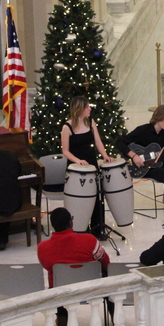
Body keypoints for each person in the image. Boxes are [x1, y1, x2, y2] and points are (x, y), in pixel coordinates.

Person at [38, 207, 111, 326]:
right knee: (106, 273)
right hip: (91, 288)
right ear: (70, 222)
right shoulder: (89, 240)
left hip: (61, 291)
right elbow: (106, 262)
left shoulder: (42, 248)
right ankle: (113, 315)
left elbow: (47, 266)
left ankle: (62, 317)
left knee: (56, 278)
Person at [61, 96, 113, 233]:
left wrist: (105, 156)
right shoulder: (67, 127)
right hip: (76, 166)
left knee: (95, 196)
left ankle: (97, 228)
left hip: (91, 163)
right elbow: (65, 151)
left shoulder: (90, 122)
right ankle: (80, 228)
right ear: (79, 109)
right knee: (80, 198)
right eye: (87, 107)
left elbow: (98, 142)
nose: (90, 109)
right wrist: (77, 160)